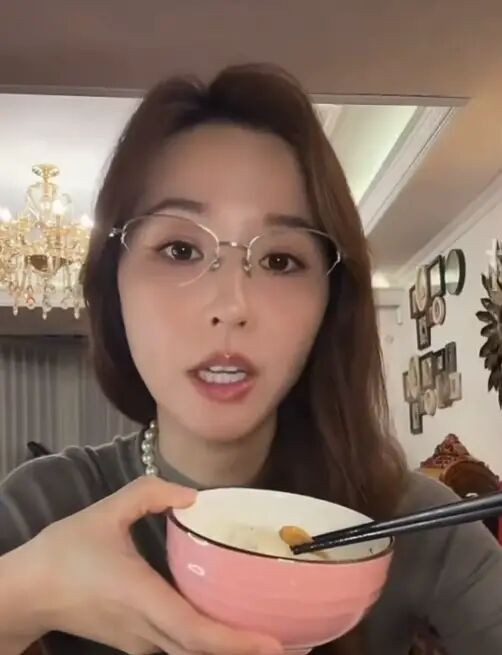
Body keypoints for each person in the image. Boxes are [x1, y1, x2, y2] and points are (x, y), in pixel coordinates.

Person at [0, 64, 501, 655]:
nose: (232, 306)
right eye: (180, 249)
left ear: (330, 302)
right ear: (114, 285)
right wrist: (23, 596)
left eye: (280, 261)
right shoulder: (48, 506)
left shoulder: (415, 522)